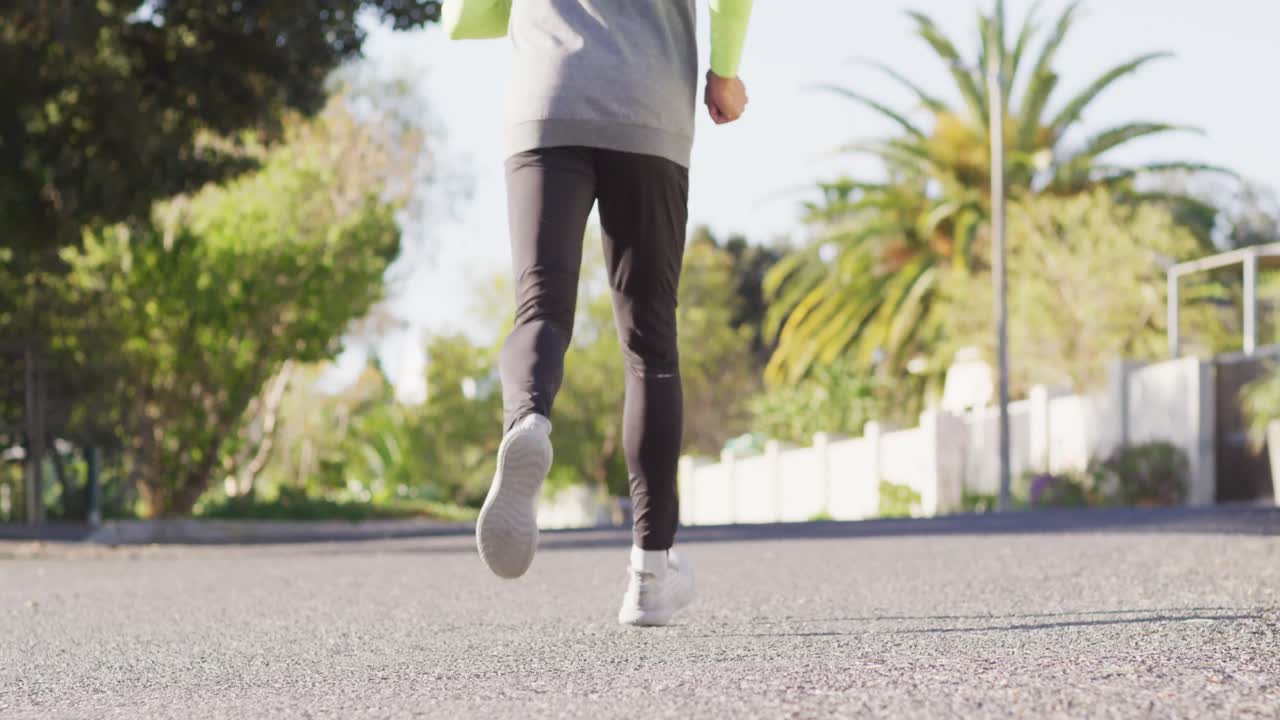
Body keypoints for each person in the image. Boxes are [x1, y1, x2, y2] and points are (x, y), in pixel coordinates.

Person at [445, 0, 753, 627]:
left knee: (539, 308)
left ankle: (528, 419)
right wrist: (724, 72)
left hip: (545, 100)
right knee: (649, 344)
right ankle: (650, 573)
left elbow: (461, 19)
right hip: (647, 103)